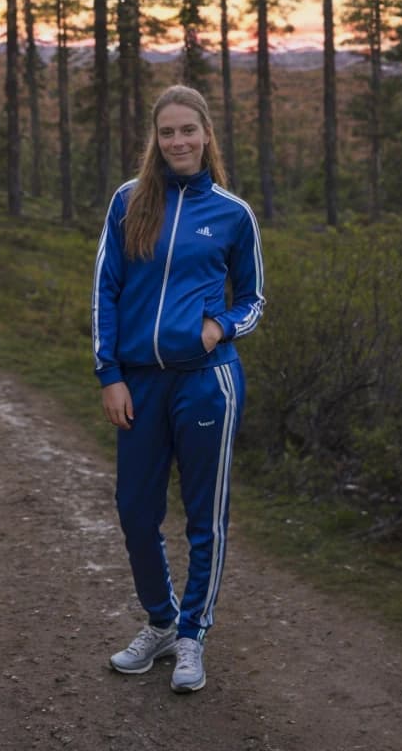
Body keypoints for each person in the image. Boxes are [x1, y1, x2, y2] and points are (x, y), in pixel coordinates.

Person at [92, 84, 265, 693]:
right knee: (136, 512)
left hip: (206, 384)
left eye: (187, 130)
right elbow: (106, 293)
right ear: (155, 139)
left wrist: (221, 325)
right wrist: (109, 374)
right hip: (138, 384)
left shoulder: (231, 213)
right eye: (167, 132)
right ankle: (161, 622)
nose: (178, 142)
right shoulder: (128, 203)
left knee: (204, 516)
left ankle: (192, 635)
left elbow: (252, 298)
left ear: (206, 134)